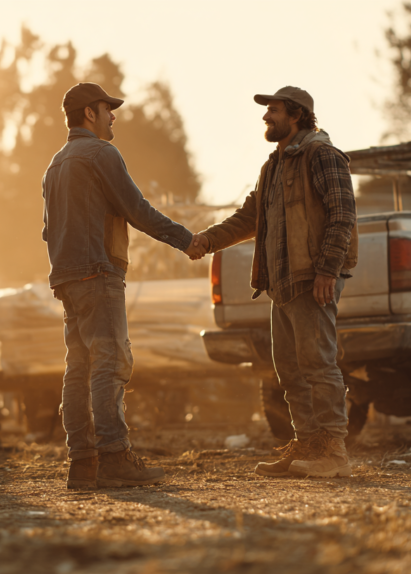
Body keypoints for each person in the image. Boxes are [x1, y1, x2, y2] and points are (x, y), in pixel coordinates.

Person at [42, 82, 207, 489]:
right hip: (98, 274)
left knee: (77, 370)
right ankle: (115, 457)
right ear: (88, 114)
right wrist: (187, 240)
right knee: (110, 363)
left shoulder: (55, 164)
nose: (113, 116)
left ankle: (82, 465)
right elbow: (137, 209)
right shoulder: (101, 153)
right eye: (106, 109)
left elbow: (48, 231)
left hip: (66, 279)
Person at [197, 87, 358, 478]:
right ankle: (306, 446)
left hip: (311, 280)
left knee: (319, 366)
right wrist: (204, 241)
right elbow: (248, 218)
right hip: (282, 285)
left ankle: (333, 453)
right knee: (288, 370)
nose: (266, 116)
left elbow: (342, 213)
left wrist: (326, 270)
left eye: (273, 110)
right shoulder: (273, 166)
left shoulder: (322, 155)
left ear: (297, 115)